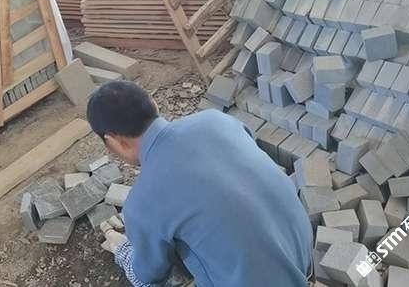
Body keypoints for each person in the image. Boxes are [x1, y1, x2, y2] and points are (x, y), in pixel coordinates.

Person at [86, 80, 313, 287]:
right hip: (304, 259)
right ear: (153, 104)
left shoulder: (142, 202)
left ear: (113, 140)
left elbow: (149, 275)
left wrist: (123, 250)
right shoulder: (216, 120)